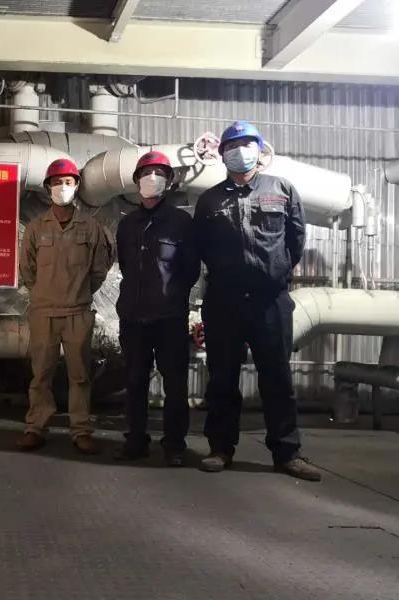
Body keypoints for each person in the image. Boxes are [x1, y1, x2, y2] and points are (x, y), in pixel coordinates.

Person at [193, 120, 320, 481]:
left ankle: (287, 453)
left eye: (247, 144)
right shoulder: (209, 200)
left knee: (277, 377)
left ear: (260, 151)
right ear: (222, 155)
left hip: (269, 301)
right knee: (222, 378)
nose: (240, 151)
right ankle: (220, 448)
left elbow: (295, 240)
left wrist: (273, 272)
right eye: (232, 145)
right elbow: (201, 247)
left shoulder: (282, 189)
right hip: (224, 302)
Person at [17, 158, 112, 454]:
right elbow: (27, 270)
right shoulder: (35, 228)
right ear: (48, 188)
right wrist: (44, 294)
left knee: (80, 375)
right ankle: (36, 427)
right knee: (41, 375)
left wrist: (79, 293)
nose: (62, 187)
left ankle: (81, 430)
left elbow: (99, 270)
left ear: (77, 186)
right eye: (57, 182)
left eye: (68, 182)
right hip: (43, 312)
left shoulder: (91, 227)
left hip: (77, 312)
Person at [115, 151, 200, 466]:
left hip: (169, 318)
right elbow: (126, 266)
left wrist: (171, 297)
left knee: (174, 384)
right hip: (133, 316)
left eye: (160, 173)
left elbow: (190, 270)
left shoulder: (181, 223)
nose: (152, 179)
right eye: (146, 173)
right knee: (134, 380)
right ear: (136, 181)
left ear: (169, 181)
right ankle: (136, 441)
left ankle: (174, 445)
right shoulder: (127, 224)